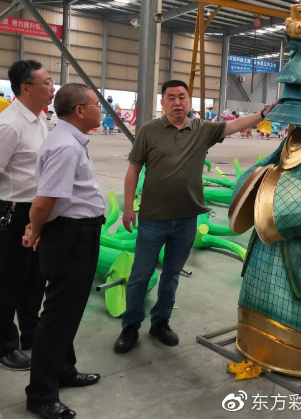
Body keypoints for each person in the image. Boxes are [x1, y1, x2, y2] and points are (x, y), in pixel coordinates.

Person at [113, 80, 274, 354]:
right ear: (162, 102)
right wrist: (128, 207)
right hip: (153, 219)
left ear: (189, 101)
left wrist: (261, 115)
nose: (177, 102)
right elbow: (133, 171)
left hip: (187, 219)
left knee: (172, 275)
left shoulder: (202, 130)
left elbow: (233, 126)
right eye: (171, 98)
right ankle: (130, 327)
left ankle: (160, 322)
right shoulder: (149, 131)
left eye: (182, 97)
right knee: (140, 275)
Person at [23, 83, 104, 420]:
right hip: (72, 236)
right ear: (80, 111)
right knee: (58, 317)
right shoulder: (66, 147)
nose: (102, 110)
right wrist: (35, 229)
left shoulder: (69, 140)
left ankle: (64, 371)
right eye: (97, 104)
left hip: (76, 233)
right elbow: (44, 201)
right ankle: (41, 395)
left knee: (67, 312)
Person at [0, 60, 54, 371]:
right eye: (47, 82)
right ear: (26, 88)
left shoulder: (39, 118)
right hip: (12, 213)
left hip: (34, 212)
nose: (52, 87)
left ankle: (30, 334)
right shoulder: (9, 125)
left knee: (34, 279)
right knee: (7, 283)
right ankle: (3, 347)